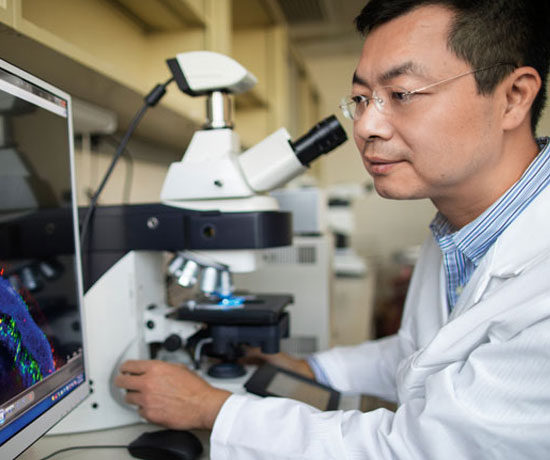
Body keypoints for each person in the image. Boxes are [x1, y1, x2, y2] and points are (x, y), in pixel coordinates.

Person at [115, 0, 550, 458]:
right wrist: (310, 368)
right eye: (361, 100)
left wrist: (214, 410)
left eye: (401, 94)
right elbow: (418, 354)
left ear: (513, 96)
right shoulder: (459, 227)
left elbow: (417, 451)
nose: (366, 126)